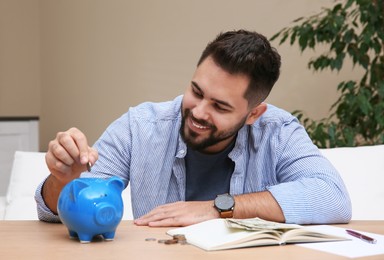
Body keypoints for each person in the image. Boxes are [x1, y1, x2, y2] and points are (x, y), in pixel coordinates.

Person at [35, 29, 352, 226]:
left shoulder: (278, 131)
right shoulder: (140, 126)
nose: (198, 112)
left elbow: (333, 197)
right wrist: (63, 179)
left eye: (220, 106)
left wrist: (218, 209)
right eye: (196, 92)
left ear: (254, 113)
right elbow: (54, 212)